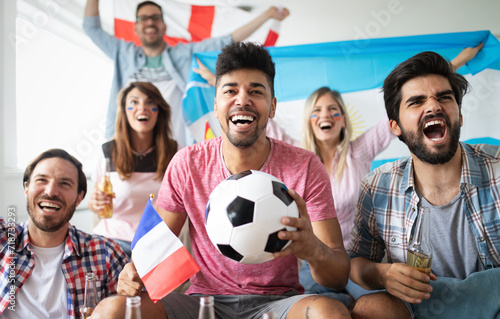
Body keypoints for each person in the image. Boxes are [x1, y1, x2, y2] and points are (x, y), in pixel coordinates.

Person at [90, 42, 351, 319]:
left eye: (255, 91)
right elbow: (154, 251)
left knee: (330, 312)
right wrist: (134, 272)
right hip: (203, 302)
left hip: (278, 302)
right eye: (230, 91)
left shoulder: (305, 165)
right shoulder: (187, 163)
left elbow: (338, 277)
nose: (242, 100)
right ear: (216, 106)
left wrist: (315, 250)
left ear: (272, 107)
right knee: (111, 310)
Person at [297, 44, 483, 306]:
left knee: (371, 309)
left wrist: (455, 64)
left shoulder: (359, 151)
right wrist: (216, 81)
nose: (325, 115)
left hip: (355, 264)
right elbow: (260, 123)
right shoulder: (297, 159)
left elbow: (409, 112)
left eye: (332, 110)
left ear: (342, 120)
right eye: (316, 111)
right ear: (308, 120)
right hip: (316, 264)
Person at [347, 49, 500, 319]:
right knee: (369, 309)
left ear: (460, 116)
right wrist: (382, 274)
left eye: (444, 97)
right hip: (420, 309)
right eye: (417, 101)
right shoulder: (377, 186)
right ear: (395, 126)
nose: (433, 106)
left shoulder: (497, 168)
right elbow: (356, 263)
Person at [83, 0, 290, 146]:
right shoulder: (123, 53)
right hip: (129, 145)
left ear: (164, 25)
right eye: (143, 18)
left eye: (155, 17)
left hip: (174, 145)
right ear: (136, 27)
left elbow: (225, 41)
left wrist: (267, 15)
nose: (149, 22)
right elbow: (91, 28)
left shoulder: (184, 54)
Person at [0, 148, 129, 319]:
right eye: (41, 180)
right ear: (26, 188)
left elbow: (137, 309)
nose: (51, 191)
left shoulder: (107, 254)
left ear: (78, 198)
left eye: (64, 184)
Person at [87, 81, 178, 258]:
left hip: (156, 242)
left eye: (150, 102)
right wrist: (95, 203)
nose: (142, 108)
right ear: (124, 112)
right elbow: (96, 204)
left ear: (159, 110)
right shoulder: (106, 152)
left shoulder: (175, 151)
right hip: (113, 241)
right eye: (134, 102)